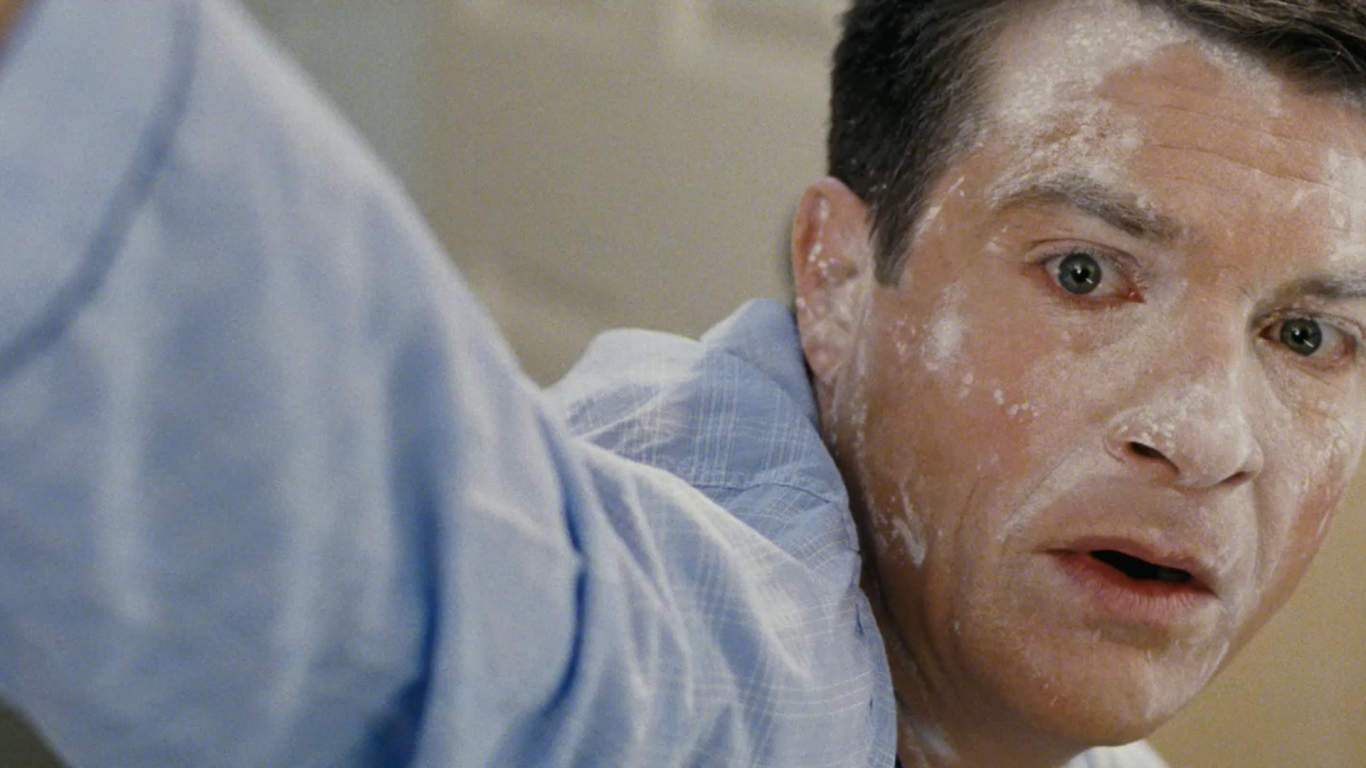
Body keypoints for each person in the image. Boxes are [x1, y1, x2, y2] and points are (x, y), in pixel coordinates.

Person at [0, 1, 1363, 768]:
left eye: (1305, 338)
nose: (1206, 437)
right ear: (836, 277)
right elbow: (438, 643)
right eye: (1083, 273)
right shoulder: (723, 675)